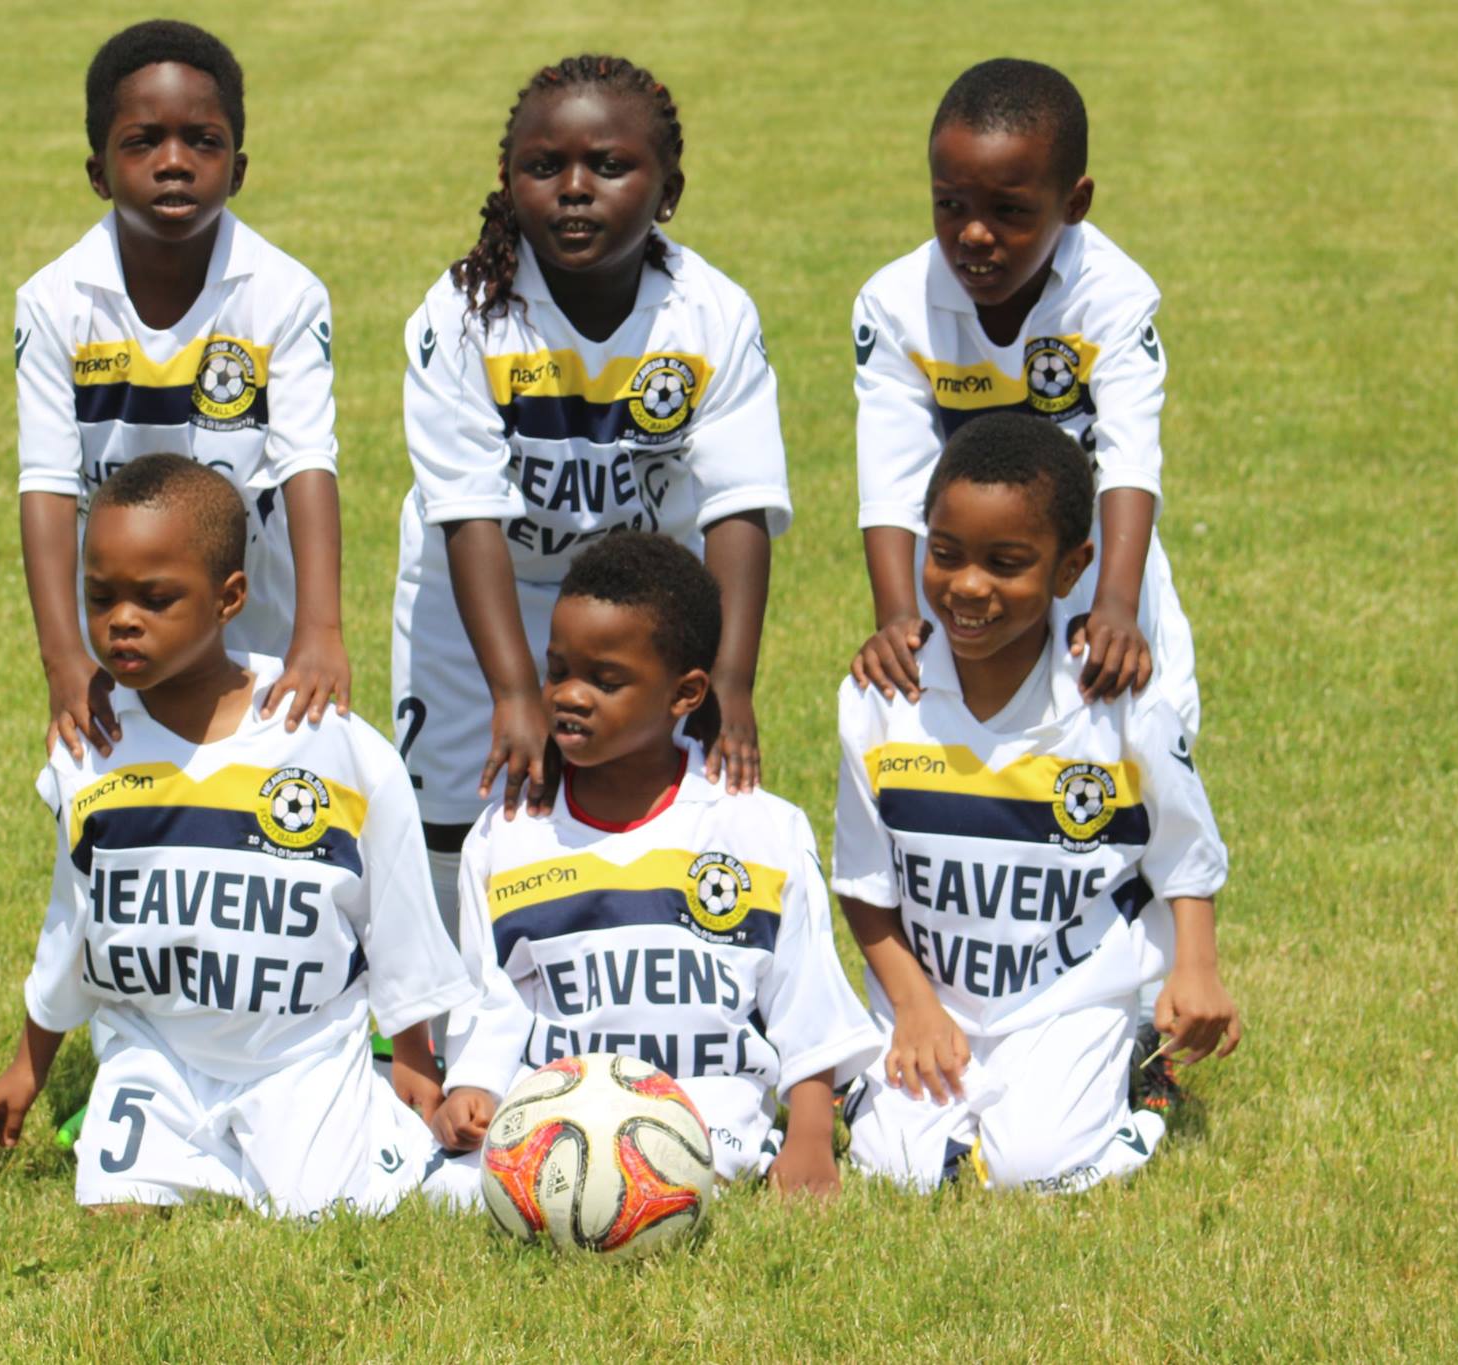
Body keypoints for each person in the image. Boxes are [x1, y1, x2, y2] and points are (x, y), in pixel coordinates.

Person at [0, 456, 475, 1217]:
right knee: (115, 1210)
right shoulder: (91, 748)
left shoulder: (324, 739)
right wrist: (27, 1066)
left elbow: (397, 907)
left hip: (295, 1052)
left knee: (331, 1209)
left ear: (229, 598)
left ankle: (358, 1100)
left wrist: (412, 1050)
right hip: (157, 1054)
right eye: (100, 597)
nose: (122, 619)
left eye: (156, 597)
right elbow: (73, 921)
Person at [392, 55, 791, 977]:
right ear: (508, 181)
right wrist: (513, 690)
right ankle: (452, 1018)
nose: (575, 190)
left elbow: (738, 506)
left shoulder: (711, 313)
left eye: (609, 167)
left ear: (669, 189)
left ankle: (634, 979)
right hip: (479, 599)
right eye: (545, 167)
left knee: (649, 790)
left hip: (636, 610)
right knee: (461, 800)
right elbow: (469, 514)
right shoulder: (461, 313)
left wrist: (730, 676)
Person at [833, 413, 1240, 1194]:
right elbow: (863, 887)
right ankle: (874, 1074)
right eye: (945, 554)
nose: (969, 585)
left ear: (1070, 568)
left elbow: (1185, 853)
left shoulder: (1117, 699)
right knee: (899, 1168)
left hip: (1067, 997)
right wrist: (915, 1009)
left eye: (1007, 562)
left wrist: (1197, 968)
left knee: (1033, 1168)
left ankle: (1133, 1067)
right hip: (934, 995)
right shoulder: (880, 698)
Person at [424, 534, 880, 1201]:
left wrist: (809, 1137)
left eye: (605, 681)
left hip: (705, 1120)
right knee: (451, 1192)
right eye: (558, 670)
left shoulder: (757, 829)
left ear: (685, 692)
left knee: (657, 1185)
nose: (570, 696)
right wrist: (472, 1091)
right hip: (557, 1113)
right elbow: (491, 1000)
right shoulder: (509, 833)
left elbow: (806, 1003)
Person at [15, 20, 349, 769]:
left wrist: (319, 630)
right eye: (143, 142)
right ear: (99, 171)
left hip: (255, 620)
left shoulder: (286, 295)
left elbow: (307, 461)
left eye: (203, 141)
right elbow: (46, 481)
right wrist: (63, 655)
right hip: (123, 637)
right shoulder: (54, 301)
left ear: (238, 168)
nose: (174, 163)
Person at [847, 57, 1198, 738]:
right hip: (972, 593)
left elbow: (1130, 457)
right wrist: (897, 615)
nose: (974, 234)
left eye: (1010, 212)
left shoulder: (1112, 296)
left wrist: (1119, 607)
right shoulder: (893, 306)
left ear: (1075, 203)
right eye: (950, 205)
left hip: (1098, 574)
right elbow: (890, 478)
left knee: (1138, 765)